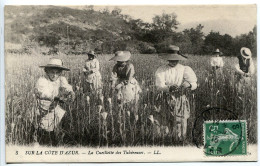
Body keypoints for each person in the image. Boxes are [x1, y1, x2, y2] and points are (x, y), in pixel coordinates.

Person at [154, 45, 197, 141]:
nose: (173, 61)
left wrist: (188, 85)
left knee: (180, 120)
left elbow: (194, 84)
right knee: (165, 119)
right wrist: (168, 88)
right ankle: (166, 140)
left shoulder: (184, 69)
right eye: (171, 60)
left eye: (175, 60)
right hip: (165, 97)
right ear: (167, 59)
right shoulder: (162, 69)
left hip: (180, 97)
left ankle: (180, 140)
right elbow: (159, 86)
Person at [34, 58, 75, 145]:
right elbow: (43, 93)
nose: (55, 75)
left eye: (57, 73)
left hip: (55, 106)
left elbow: (66, 86)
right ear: (47, 71)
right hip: (43, 108)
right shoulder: (42, 80)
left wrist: (71, 92)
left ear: (60, 73)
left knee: (56, 125)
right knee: (44, 128)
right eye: (52, 72)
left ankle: (56, 140)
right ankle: (41, 140)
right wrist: (55, 97)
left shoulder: (61, 79)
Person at [110, 51, 142, 121]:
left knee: (131, 100)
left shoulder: (130, 66)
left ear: (125, 60)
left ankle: (133, 117)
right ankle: (122, 117)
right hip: (119, 83)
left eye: (120, 61)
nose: (118, 62)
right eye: (117, 61)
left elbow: (128, 79)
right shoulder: (116, 66)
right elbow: (113, 76)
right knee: (119, 100)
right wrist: (113, 84)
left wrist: (121, 84)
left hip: (129, 84)